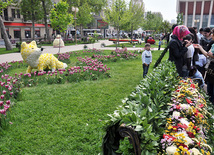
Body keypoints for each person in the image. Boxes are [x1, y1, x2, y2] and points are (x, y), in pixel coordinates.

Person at [194, 29, 214, 104]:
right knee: (209, 89)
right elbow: (207, 55)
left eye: (212, 34)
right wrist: (200, 47)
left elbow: (210, 55)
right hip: (211, 69)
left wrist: (210, 54)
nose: (211, 35)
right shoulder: (212, 44)